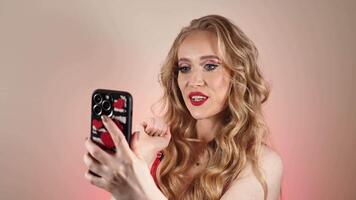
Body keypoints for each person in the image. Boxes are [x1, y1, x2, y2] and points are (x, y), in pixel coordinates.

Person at [83, 14, 283, 200]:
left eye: (210, 66)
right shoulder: (161, 152)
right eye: (185, 68)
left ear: (238, 75)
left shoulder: (262, 164)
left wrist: (137, 180)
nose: (193, 81)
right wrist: (141, 159)